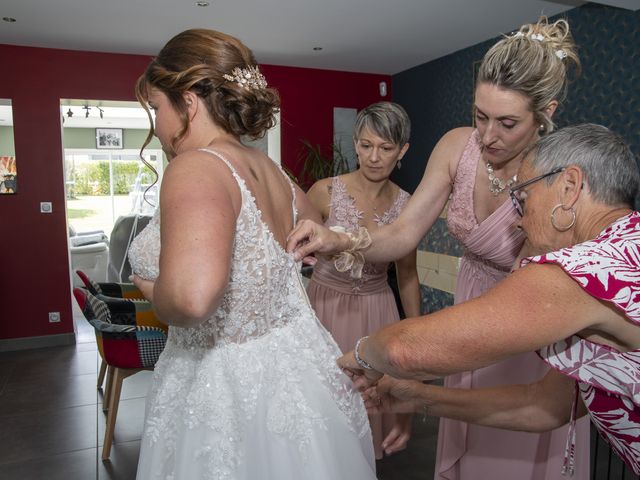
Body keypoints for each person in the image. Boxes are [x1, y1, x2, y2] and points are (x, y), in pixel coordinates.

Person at [288, 17, 587, 479]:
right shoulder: (456, 147)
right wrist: (338, 238)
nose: (488, 136)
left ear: (545, 112)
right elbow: (404, 234)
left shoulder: (561, 175)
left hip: (528, 320)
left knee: (515, 447)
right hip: (472, 299)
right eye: (479, 116)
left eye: (507, 122)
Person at [128, 28, 376, 479]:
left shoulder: (196, 168)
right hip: (293, 368)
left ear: (189, 100)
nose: (157, 124)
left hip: (222, 382)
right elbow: (312, 238)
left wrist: (149, 286)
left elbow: (191, 300)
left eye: (156, 107)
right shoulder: (272, 171)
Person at [336, 123, 640, 476]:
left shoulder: (586, 270)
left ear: (569, 187)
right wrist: (420, 397)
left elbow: (403, 351)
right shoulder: (625, 248)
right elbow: (545, 406)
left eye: (523, 199)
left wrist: (364, 356)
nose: (518, 221)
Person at [306, 101, 422, 459]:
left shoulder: (407, 206)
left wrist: (415, 337)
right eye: (366, 145)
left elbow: (406, 274)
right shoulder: (324, 192)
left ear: (401, 151)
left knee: (367, 405)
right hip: (324, 308)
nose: (374, 157)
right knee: (320, 406)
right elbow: (293, 253)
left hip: (377, 312)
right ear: (355, 143)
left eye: (386, 148)